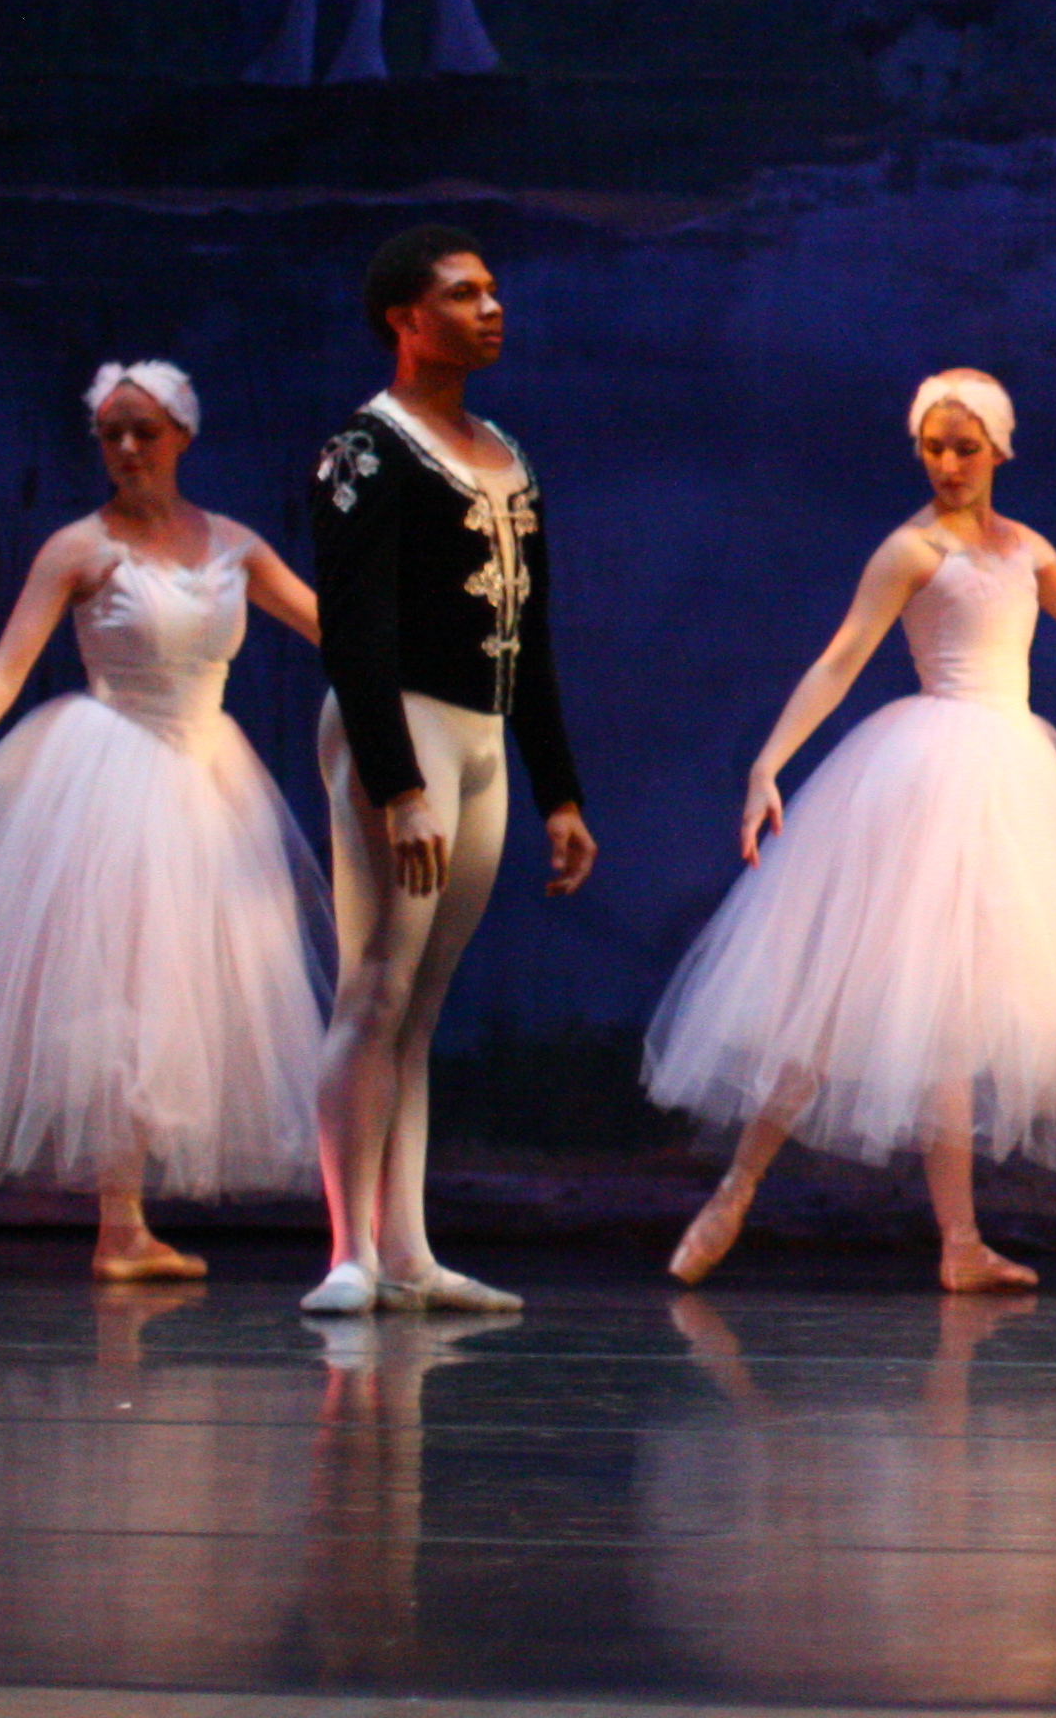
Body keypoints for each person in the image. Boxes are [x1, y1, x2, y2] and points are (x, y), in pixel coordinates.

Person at [650, 370, 1056, 1292]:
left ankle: (959, 1242)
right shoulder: (911, 552)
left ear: (1000, 450)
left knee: (954, 1017)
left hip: (1010, 781)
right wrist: (770, 762)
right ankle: (736, 1188)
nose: (950, 464)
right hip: (925, 779)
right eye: (935, 447)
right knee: (841, 996)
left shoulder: (1028, 552)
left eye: (967, 448)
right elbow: (841, 659)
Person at [0, 362, 327, 1277]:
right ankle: (120, 1225)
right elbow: (7, 666)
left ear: (182, 438)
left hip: (208, 777)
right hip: (108, 766)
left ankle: (128, 1227)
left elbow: (336, 630)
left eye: (142, 432)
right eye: (110, 433)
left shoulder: (233, 544)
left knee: (186, 990)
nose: (124, 448)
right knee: (117, 989)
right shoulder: (78, 549)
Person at [307, 228, 598, 1316]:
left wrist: (559, 790)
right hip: (406, 728)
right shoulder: (369, 450)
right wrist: (397, 783)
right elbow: (355, 630)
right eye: (463, 293)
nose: (492, 307)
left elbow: (534, 636)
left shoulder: (504, 453)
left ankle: (409, 1249)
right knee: (375, 984)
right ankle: (348, 1253)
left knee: (422, 1004)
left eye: (494, 288)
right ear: (406, 319)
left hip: (479, 735)